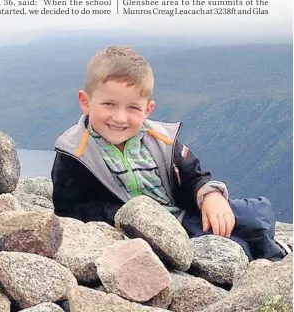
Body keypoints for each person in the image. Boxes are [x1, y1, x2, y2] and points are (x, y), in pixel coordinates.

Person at [52, 45, 288, 260]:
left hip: (183, 213)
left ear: (148, 109)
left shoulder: (162, 141)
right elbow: (70, 208)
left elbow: (193, 175)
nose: (119, 118)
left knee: (254, 213)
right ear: (86, 101)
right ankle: (266, 259)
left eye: (133, 107)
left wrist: (210, 196)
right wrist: (125, 219)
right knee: (230, 248)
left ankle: (260, 242)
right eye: (109, 104)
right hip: (152, 231)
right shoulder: (75, 153)